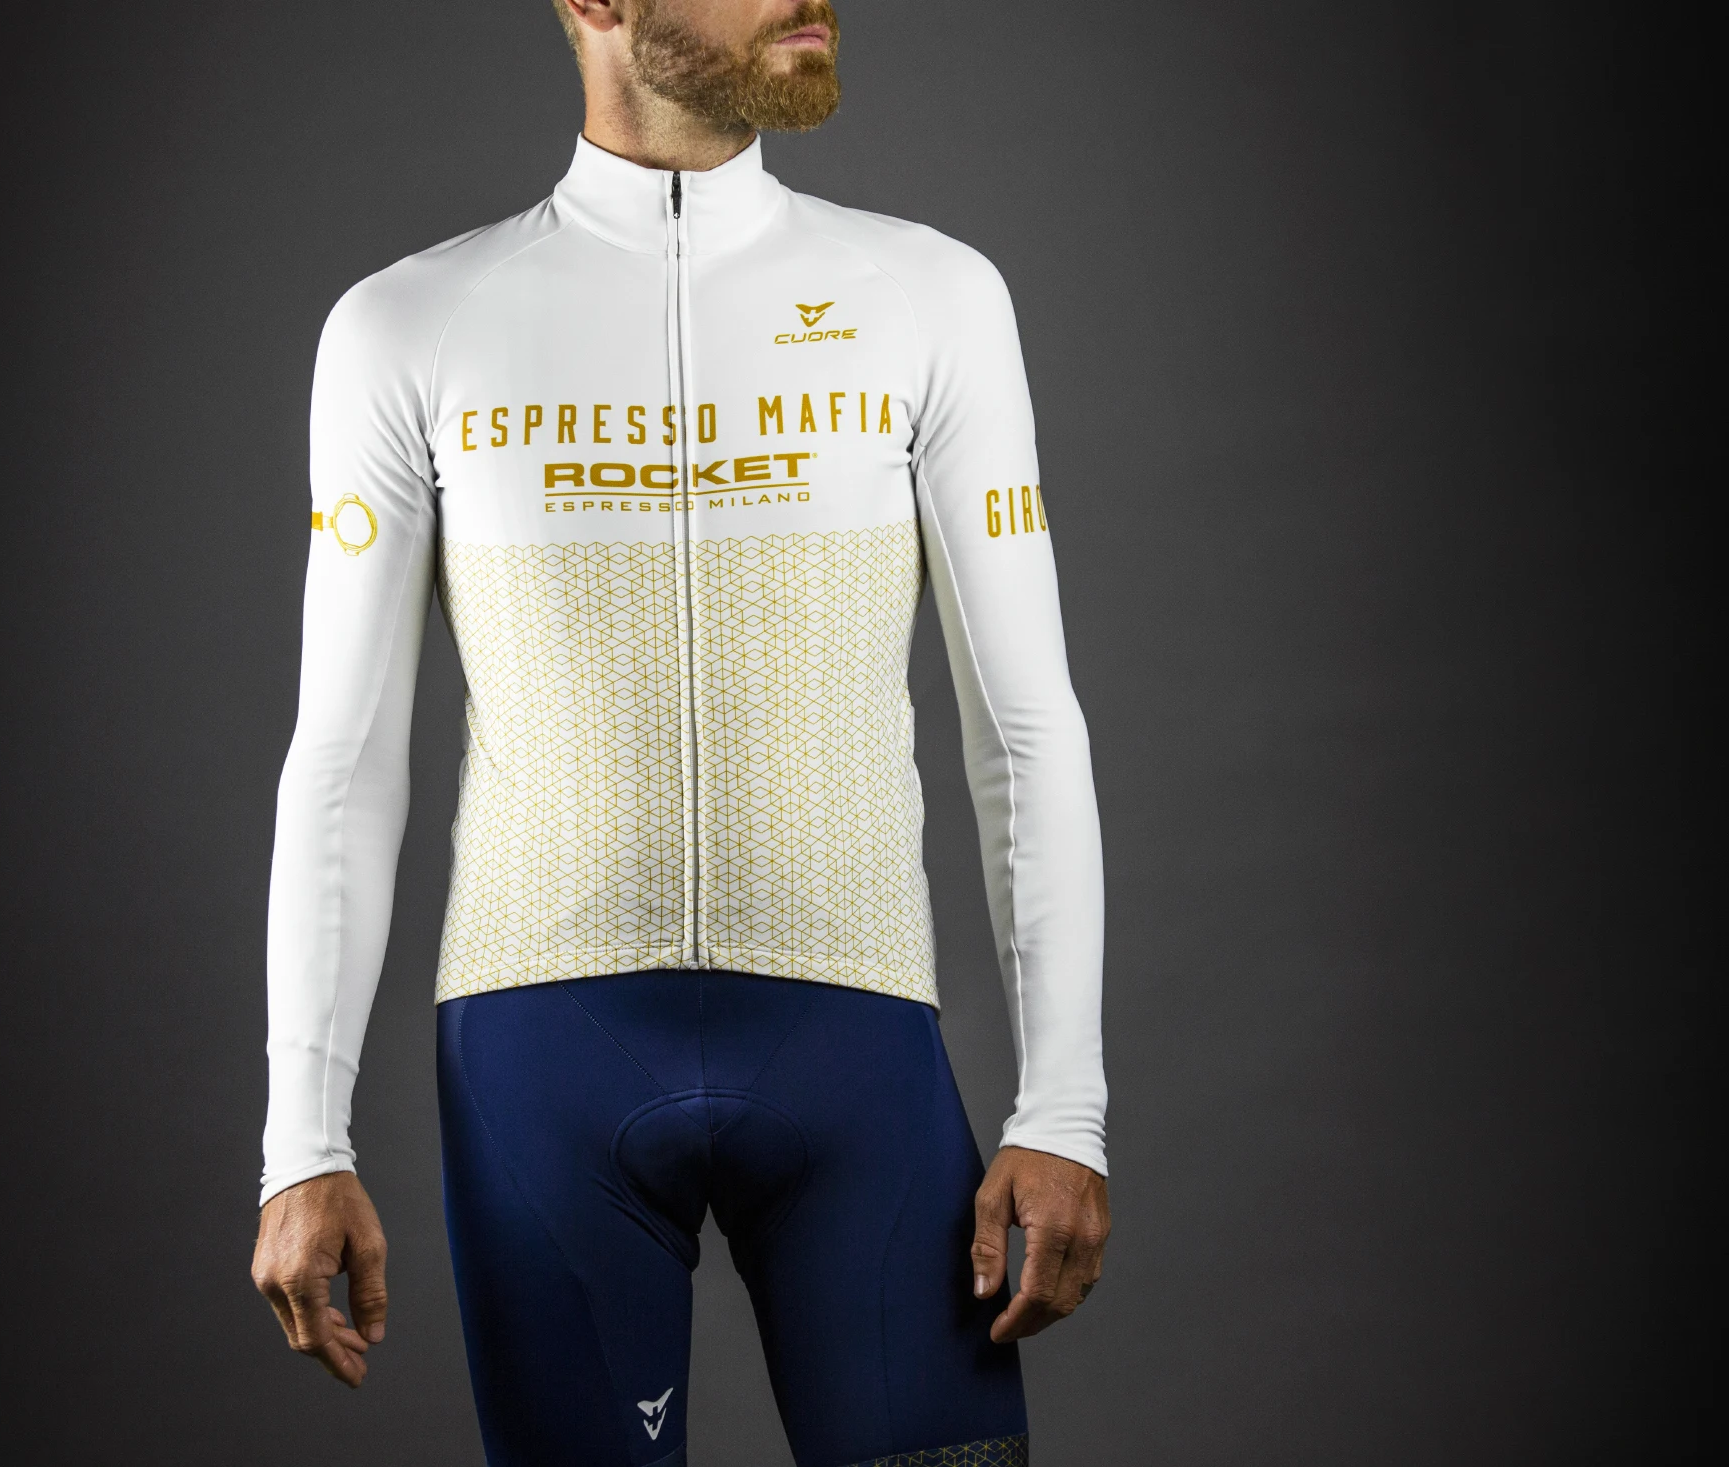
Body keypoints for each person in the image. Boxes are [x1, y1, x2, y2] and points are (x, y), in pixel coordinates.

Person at [250, 3, 1110, 1462]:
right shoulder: (406, 327)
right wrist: (302, 1140)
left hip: (855, 1047)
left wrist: (1065, 1107)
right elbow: (342, 760)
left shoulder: (931, 296)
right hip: (542, 1065)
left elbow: (1025, 730)